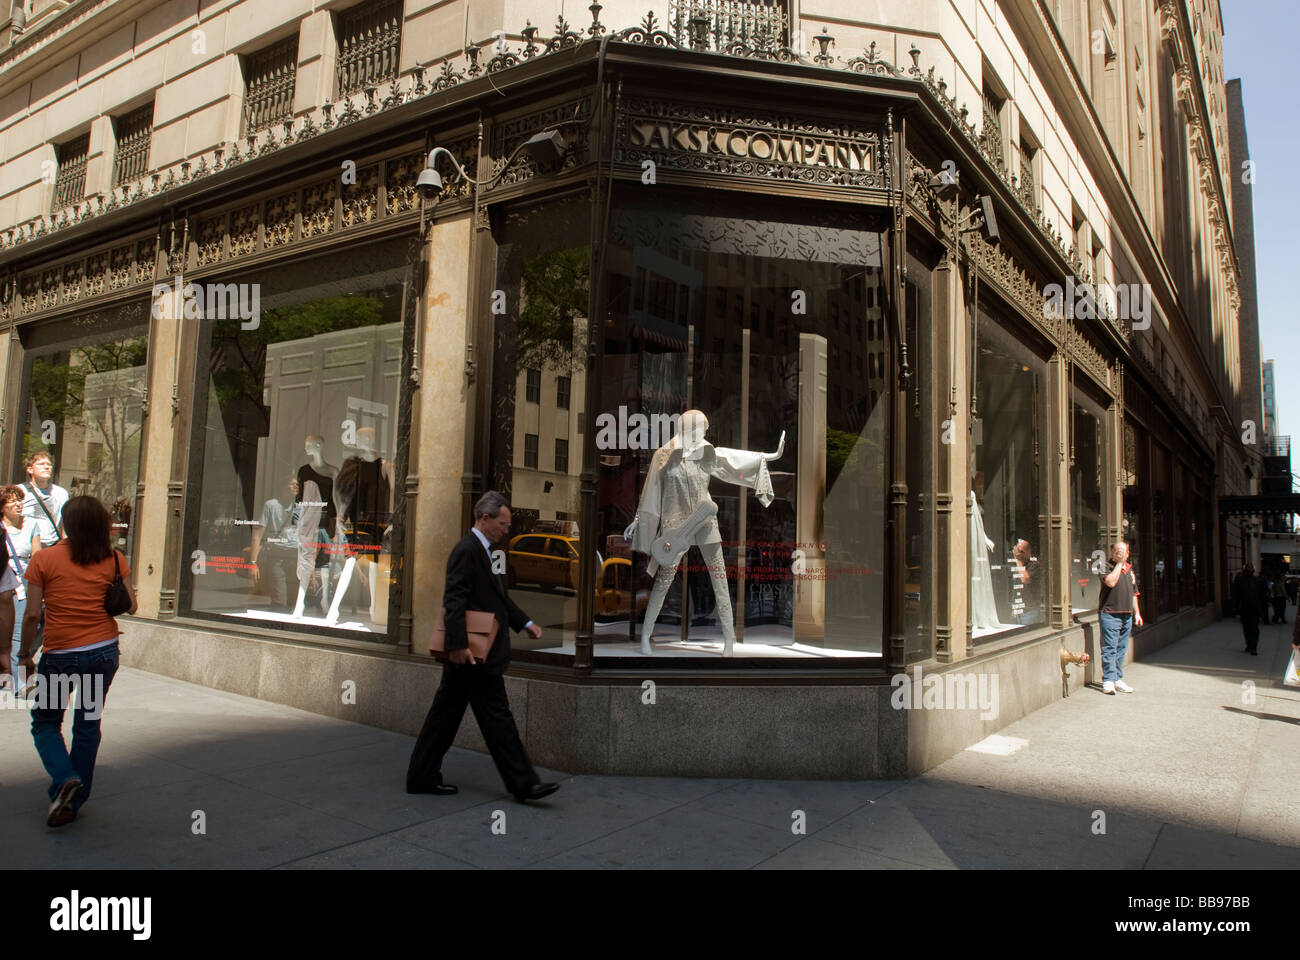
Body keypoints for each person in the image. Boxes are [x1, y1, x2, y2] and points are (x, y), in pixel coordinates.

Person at [406, 491, 559, 804]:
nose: (506, 530)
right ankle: (524, 784)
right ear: (484, 518)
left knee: (445, 719)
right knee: (496, 719)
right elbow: (454, 599)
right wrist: (458, 645)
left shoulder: (485, 550)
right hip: (473, 656)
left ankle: (421, 776)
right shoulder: (467, 550)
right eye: (502, 524)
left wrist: (526, 623)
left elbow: (499, 599)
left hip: (474, 655)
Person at [17, 495, 137, 827]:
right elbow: (133, 606)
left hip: (60, 657)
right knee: (87, 725)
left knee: (45, 722)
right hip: (103, 653)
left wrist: (24, 654)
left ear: (66, 524)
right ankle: (73, 800)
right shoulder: (114, 558)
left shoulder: (44, 559)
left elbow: (31, 615)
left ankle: (65, 777)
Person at [0, 484, 42, 692]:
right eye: (12, 501)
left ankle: (20, 682)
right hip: (5, 580)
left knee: (21, 631)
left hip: (24, 583)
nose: (18, 504)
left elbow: (37, 556)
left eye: (19, 500)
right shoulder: (1, 528)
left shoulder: (32, 524)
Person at [250, 476, 301, 612]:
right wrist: (253, 563)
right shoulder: (271, 505)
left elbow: (307, 536)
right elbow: (258, 535)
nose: (296, 486)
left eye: (297, 484)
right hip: (276, 555)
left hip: (295, 556)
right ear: (284, 486)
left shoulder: (300, 507)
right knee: (279, 601)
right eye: (292, 484)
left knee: (294, 601)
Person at [1098, 541, 1143, 695]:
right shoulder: (1105, 566)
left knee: (1121, 649)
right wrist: (1119, 564)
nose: (1120, 554)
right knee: (1109, 648)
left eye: (1123, 552)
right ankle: (1108, 680)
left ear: (1128, 553)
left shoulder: (1130, 571)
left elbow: (1134, 593)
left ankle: (1117, 678)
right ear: (1112, 553)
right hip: (1110, 614)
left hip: (1126, 615)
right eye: (1118, 551)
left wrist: (1137, 613)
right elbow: (1110, 582)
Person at [21, 451, 69, 547]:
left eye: (49, 464)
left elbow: (64, 523)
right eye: (41, 464)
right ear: (30, 469)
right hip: (25, 546)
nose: (46, 467)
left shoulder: (61, 493)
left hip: (51, 546)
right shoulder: (20, 491)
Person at [1232, 564, 1267, 655]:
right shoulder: (1240, 580)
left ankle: (1254, 647)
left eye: (1251, 568)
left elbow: (1263, 595)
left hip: (1255, 608)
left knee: (1254, 628)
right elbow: (1235, 594)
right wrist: (1235, 607)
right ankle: (1249, 644)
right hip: (1244, 608)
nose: (1250, 569)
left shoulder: (1258, 581)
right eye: (1248, 568)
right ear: (1245, 569)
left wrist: (1262, 608)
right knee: (1246, 628)